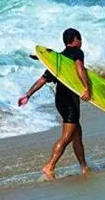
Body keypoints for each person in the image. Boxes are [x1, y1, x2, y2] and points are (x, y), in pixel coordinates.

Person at [18, 28, 92, 179]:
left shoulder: (59, 60)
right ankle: (49, 166)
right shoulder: (77, 52)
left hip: (60, 99)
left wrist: (28, 95)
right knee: (67, 136)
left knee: (77, 134)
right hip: (70, 100)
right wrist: (87, 87)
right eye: (80, 39)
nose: (81, 42)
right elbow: (79, 68)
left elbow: (42, 80)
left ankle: (84, 167)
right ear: (75, 39)